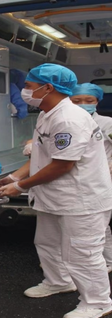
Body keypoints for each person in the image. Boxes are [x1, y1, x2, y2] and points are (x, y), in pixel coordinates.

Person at [0, 63, 112, 318]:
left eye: (28, 86)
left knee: (83, 253)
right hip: (53, 196)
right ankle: (58, 281)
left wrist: (20, 187)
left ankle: (98, 302)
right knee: (47, 243)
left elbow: (63, 164)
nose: (25, 91)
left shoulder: (68, 119)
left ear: (48, 88)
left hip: (81, 199)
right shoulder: (48, 112)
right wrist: (15, 176)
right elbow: (42, 152)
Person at [70, 83, 112, 272]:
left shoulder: (106, 123)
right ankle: (71, 261)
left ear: (97, 102)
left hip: (100, 179)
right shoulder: (67, 121)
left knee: (99, 222)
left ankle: (108, 260)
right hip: (73, 178)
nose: (83, 104)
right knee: (74, 222)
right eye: (76, 101)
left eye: (89, 101)